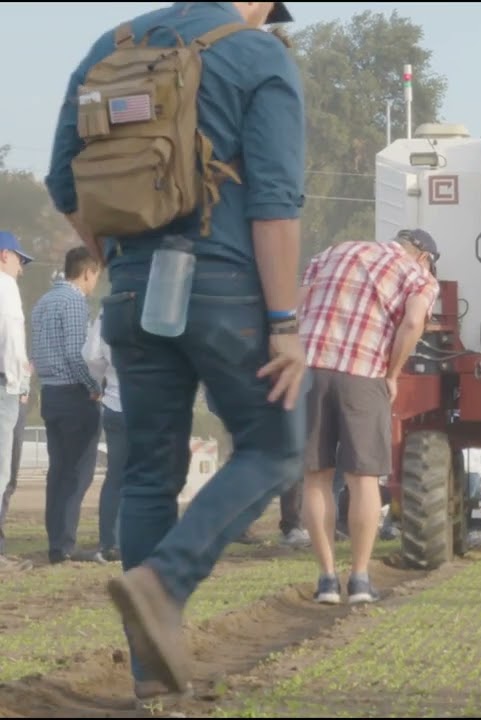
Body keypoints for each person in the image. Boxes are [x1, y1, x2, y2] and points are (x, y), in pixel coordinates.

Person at [44, 0, 307, 702]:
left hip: (131, 290)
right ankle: (165, 581)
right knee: (277, 445)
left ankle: (149, 681)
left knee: (147, 474)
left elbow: (63, 182)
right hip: (225, 290)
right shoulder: (258, 56)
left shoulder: (112, 44)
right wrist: (285, 321)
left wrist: (120, 258)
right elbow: (275, 201)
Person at [298, 228, 439, 605]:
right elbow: (412, 323)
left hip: (309, 369)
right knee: (363, 478)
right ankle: (359, 580)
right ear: (424, 257)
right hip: (364, 372)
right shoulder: (418, 276)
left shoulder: (332, 252)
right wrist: (392, 373)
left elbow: (299, 305)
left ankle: (327, 580)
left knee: (315, 477)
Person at [30, 247, 103, 564]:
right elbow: (77, 353)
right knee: (78, 472)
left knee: (58, 471)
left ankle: (56, 542)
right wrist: (93, 387)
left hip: (50, 392)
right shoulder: (74, 301)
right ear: (88, 272)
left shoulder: (43, 302)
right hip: (74, 394)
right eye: (96, 277)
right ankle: (65, 545)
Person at [0, 231, 33, 572]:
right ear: (3, 255)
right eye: (20, 259)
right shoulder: (5, 286)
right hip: (3, 387)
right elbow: (10, 333)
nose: (22, 267)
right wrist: (18, 382)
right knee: (1, 472)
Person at [83, 308, 125, 563]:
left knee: (116, 476)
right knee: (151, 476)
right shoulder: (163, 301)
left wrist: (101, 380)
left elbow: (91, 355)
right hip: (153, 406)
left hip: (116, 402)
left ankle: (111, 542)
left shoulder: (107, 310)